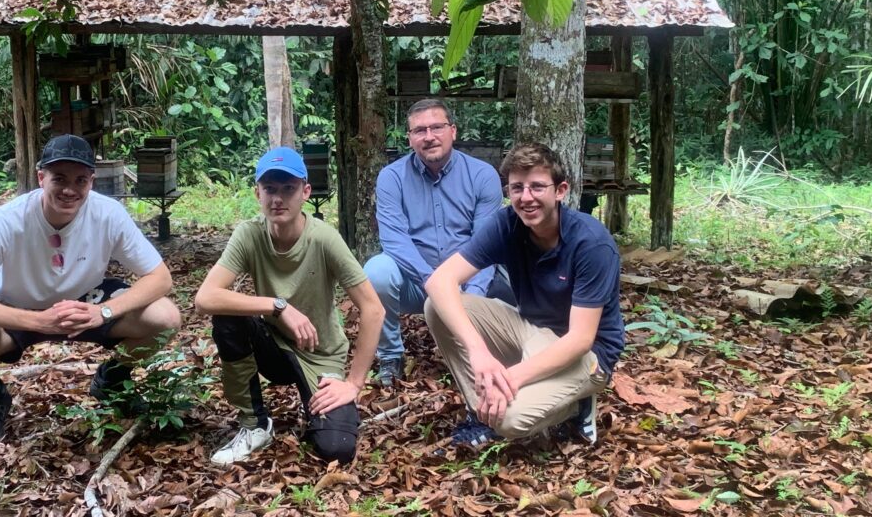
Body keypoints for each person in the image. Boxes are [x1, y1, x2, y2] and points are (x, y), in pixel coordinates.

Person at [0, 134, 182, 443]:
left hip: (87, 302)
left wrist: (103, 311)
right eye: (59, 178)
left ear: (91, 182)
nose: (70, 190)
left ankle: (113, 378)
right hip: (16, 305)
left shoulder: (108, 214)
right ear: (41, 178)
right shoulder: (8, 220)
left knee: (165, 317)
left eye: (80, 180)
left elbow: (160, 278)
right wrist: (38, 321)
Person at [423, 142, 624, 448]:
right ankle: (482, 410)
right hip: (530, 329)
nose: (526, 197)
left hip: (586, 354)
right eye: (517, 188)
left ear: (560, 191)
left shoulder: (591, 243)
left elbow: (580, 339)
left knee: (510, 420)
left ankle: (577, 405)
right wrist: (479, 353)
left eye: (537, 187)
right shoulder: (507, 224)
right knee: (436, 305)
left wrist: (511, 378)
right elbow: (439, 282)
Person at [194, 147, 384, 466]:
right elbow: (205, 298)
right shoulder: (249, 235)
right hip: (273, 345)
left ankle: (320, 408)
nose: (278, 199)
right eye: (270, 189)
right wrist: (277, 305)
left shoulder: (324, 239)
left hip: (319, 353)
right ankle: (255, 425)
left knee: (336, 447)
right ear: (258, 193)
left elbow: (373, 309)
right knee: (227, 315)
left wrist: (353, 384)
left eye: (288, 188)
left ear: (305, 192)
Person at [365, 99, 506, 387]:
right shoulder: (392, 178)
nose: (429, 137)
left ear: (453, 131)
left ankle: (494, 347)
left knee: (514, 279)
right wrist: (434, 283)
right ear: (409, 138)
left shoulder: (482, 175)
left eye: (437, 127)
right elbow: (394, 240)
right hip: (417, 283)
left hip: (468, 280)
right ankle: (391, 356)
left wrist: (471, 297)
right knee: (376, 272)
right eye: (419, 131)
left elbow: (487, 242)